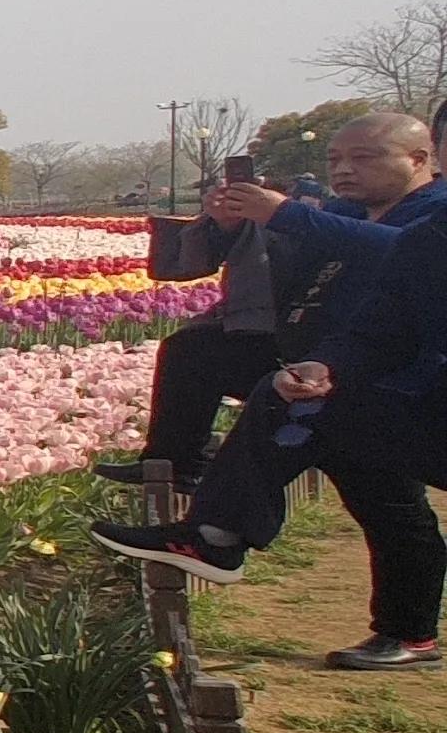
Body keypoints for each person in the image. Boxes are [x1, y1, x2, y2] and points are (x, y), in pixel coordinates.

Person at [96, 112, 447, 667]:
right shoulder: (353, 214)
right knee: (210, 358)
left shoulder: (427, 217)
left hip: (409, 389)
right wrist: (233, 224)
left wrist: (287, 214)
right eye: (335, 159)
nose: (345, 170)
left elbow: (393, 251)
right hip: (352, 373)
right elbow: (339, 295)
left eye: (364, 157)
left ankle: (216, 535)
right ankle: (202, 507)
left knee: (389, 503)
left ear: (421, 160)